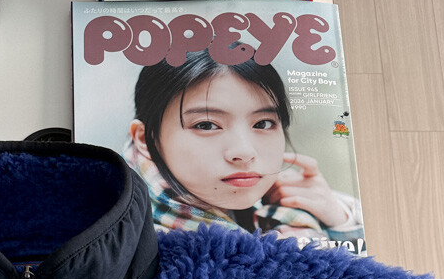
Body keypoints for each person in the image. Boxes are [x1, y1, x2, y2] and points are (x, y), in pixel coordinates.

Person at [126, 49, 363, 245]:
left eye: (263, 123)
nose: (245, 152)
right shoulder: (128, 243)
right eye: (206, 125)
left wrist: (340, 220)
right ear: (146, 139)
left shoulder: (295, 208)